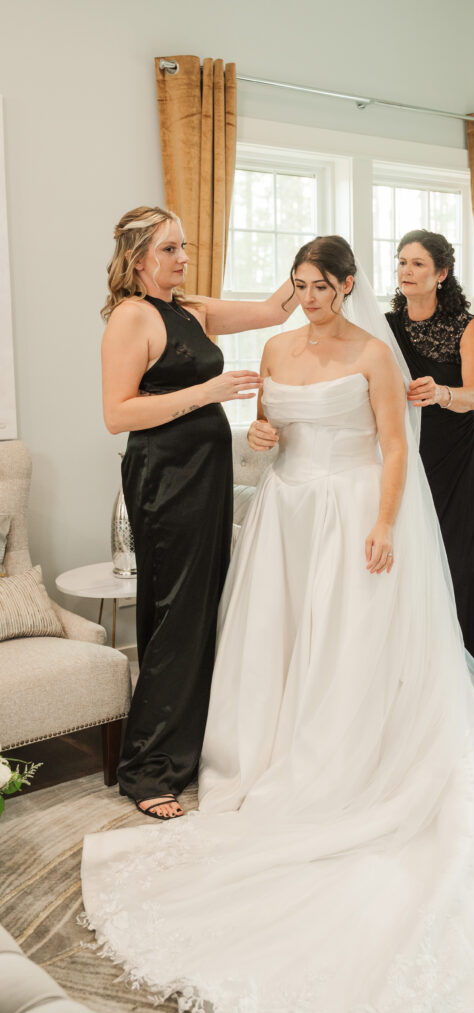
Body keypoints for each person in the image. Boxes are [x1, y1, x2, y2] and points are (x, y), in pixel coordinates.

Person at [82, 236, 474, 1013]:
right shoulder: (276, 346)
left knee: (349, 648)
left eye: (320, 287)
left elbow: (395, 447)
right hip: (287, 519)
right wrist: (262, 439)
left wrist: (384, 524)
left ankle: (351, 759)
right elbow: (269, 430)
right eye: (298, 287)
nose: (307, 299)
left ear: (347, 287)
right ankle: (265, 754)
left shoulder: (372, 355)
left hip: (352, 514)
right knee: (280, 645)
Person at [101, 205, 297, 820]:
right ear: (138, 260)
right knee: (174, 614)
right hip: (165, 476)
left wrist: (312, 260)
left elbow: (272, 311)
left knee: (203, 606)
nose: (183, 259)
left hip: (205, 477)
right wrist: (207, 393)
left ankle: (185, 749)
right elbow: (118, 414)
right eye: (170, 250)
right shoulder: (131, 317)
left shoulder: (194, 309)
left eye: (184, 247)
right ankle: (147, 768)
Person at [386, 229, 474, 685]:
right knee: (414, 555)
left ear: (441, 274)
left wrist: (441, 392)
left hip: (457, 453)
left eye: (416, 264)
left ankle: (467, 673)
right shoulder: (386, 327)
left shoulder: (466, 324)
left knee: (459, 558)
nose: (406, 272)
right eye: (401, 262)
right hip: (407, 452)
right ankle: (416, 672)